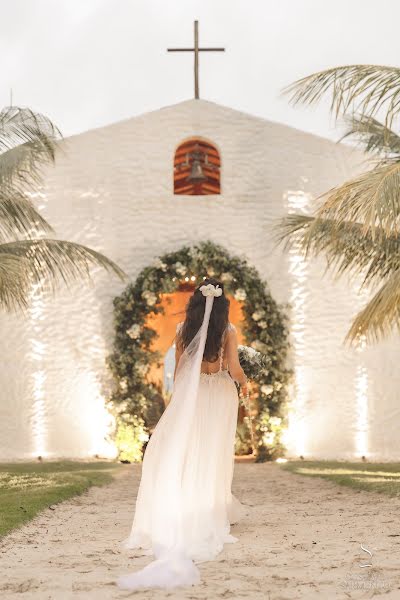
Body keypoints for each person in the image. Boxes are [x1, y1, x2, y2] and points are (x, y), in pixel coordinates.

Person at [117, 278, 248, 590]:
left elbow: (179, 370)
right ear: (222, 305)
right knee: (214, 451)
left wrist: (178, 401)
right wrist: (247, 378)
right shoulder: (228, 331)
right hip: (219, 394)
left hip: (192, 394)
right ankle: (212, 506)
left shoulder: (181, 331)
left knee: (190, 448)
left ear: (196, 304)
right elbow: (233, 368)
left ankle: (191, 503)